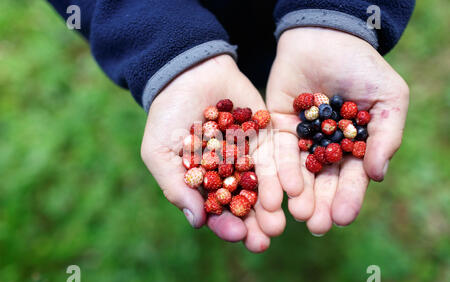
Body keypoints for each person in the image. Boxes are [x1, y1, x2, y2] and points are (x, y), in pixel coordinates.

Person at [47, 0, 415, 252]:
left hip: (294, 33)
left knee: (269, 76)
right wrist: (167, 53)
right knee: (256, 88)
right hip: (181, 31)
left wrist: (337, 14)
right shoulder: (223, 141)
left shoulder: (318, 118)